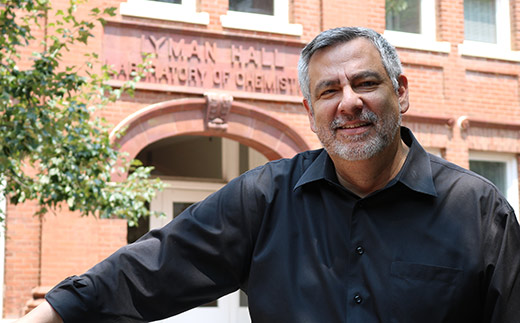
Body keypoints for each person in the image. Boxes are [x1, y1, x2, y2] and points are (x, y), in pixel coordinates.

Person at [15, 27, 520, 323]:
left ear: (401, 92)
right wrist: (52, 314)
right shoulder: (266, 198)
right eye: (328, 92)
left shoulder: (477, 210)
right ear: (310, 109)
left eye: (366, 83)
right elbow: (154, 264)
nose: (349, 103)